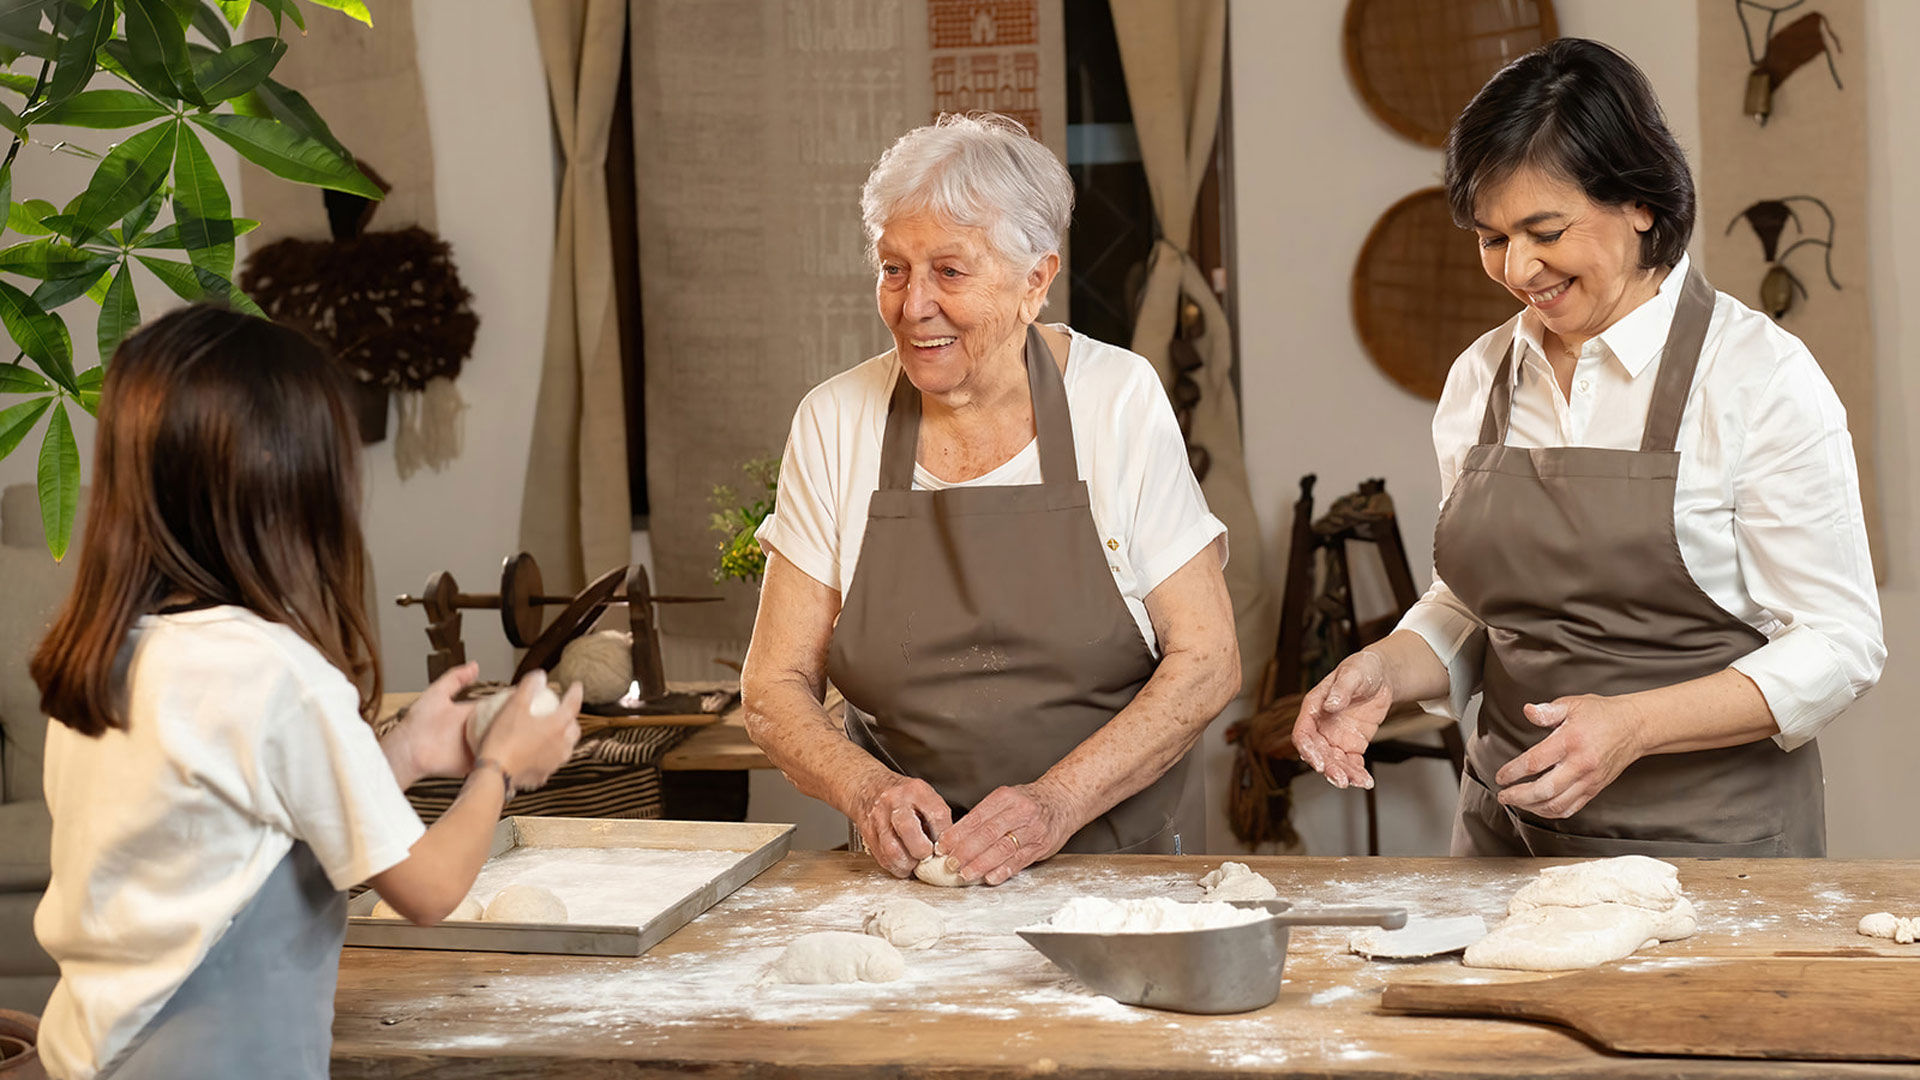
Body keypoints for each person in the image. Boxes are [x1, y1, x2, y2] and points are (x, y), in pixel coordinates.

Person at [1291, 39, 1884, 857]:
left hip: (1715, 857)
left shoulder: (1758, 377)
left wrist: (1633, 726)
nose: (1518, 267)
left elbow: (1840, 643)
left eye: (1545, 229)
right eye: (1492, 237)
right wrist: (1386, 670)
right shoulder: (1483, 376)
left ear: (1640, 201)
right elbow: (1472, 604)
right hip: (1509, 843)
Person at [28, 305, 583, 1079]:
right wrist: (501, 765)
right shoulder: (273, 672)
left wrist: (405, 751)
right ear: (292, 491)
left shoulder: (105, 656)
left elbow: (245, 836)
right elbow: (427, 891)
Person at [742, 113, 1238, 885]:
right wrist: (867, 791)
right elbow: (772, 689)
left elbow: (1207, 660)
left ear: (1035, 280)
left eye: (950, 271)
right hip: (915, 883)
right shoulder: (835, 420)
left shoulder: (1116, 400)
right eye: (894, 269)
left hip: (1120, 872)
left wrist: (1057, 802)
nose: (913, 306)